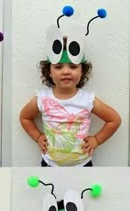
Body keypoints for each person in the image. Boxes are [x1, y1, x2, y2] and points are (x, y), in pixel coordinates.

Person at [20, 7, 121, 167]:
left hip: (83, 164)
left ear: (82, 71)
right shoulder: (42, 98)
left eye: (73, 67)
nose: (66, 71)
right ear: (49, 72)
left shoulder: (88, 100)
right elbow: (25, 117)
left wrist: (96, 139)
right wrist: (38, 137)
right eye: (59, 67)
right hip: (49, 164)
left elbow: (114, 120)